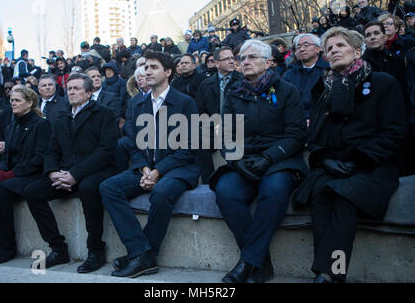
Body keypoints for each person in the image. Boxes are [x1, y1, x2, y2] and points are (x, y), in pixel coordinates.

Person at [293, 27, 407, 283]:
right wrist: (326, 159)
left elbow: (395, 131)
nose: (334, 51)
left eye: (341, 46)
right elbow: (316, 137)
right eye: (330, 48)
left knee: (344, 195)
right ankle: (330, 272)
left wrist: (359, 158)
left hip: (372, 164)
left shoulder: (382, 83)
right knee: (320, 193)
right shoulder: (323, 89)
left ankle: (329, 273)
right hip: (334, 165)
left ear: (357, 51)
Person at [208, 40, 307, 283]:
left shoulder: (286, 90)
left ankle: (248, 262)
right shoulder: (233, 94)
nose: (245, 62)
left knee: (274, 190)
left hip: (279, 159)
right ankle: (261, 265)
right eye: (242, 58)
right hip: (245, 161)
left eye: (252, 57)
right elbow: (229, 137)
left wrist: (268, 157)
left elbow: (296, 134)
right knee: (226, 191)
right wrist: (236, 161)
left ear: (268, 62)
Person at [100, 51, 200, 279]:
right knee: (108, 187)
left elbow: (189, 148)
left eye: (154, 67)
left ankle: (142, 256)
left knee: (162, 192)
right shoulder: (137, 103)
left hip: (178, 168)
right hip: (146, 168)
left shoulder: (185, 102)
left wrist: (158, 171)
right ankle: (141, 251)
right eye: (146, 67)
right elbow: (133, 143)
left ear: (168, 72)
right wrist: (145, 169)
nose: (147, 71)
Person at [24, 73, 118, 273]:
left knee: (88, 188)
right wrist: (52, 173)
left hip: (96, 171)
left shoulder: (104, 113)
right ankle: (58, 249)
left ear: (89, 92)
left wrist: (74, 174)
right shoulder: (62, 116)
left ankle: (95, 251)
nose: (72, 92)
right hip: (65, 173)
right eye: (69, 89)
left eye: (77, 88)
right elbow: (51, 151)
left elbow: (106, 151)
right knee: (32, 191)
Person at [0, 87, 50, 265]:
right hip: (13, 173)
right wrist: (1, 171)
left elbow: (40, 158)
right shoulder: (12, 125)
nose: (13, 103)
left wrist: (12, 173)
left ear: (30, 103)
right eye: (11, 100)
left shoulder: (41, 124)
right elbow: (6, 155)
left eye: (17, 100)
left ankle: (7, 247)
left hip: (32, 174)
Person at [196, 47, 243, 183]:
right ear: (217, 63)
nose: (231, 61)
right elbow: (199, 112)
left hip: (237, 128)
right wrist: (213, 124)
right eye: (226, 59)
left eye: (232, 58)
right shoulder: (205, 84)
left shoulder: (243, 81)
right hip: (212, 129)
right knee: (197, 136)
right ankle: (208, 180)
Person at [283, 33, 329, 120]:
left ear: (318, 49)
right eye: (299, 47)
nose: (302, 49)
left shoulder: (328, 71)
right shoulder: (289, 74)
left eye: (306, 45)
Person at [362, 21, 406, 101]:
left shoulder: (396, 59)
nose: (372, 37)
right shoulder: (360, 65)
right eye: (368, 35)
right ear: (365, 41)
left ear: (385, 37)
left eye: (376, 33)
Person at [118, 66, 151, 173]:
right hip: (136, 136)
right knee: (122, 143)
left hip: (152, 136)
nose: (139, 79)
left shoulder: (157, 96)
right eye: (137, 77)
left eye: (142, 76)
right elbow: (128, 122)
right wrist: (135, 137)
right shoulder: (134, 100)